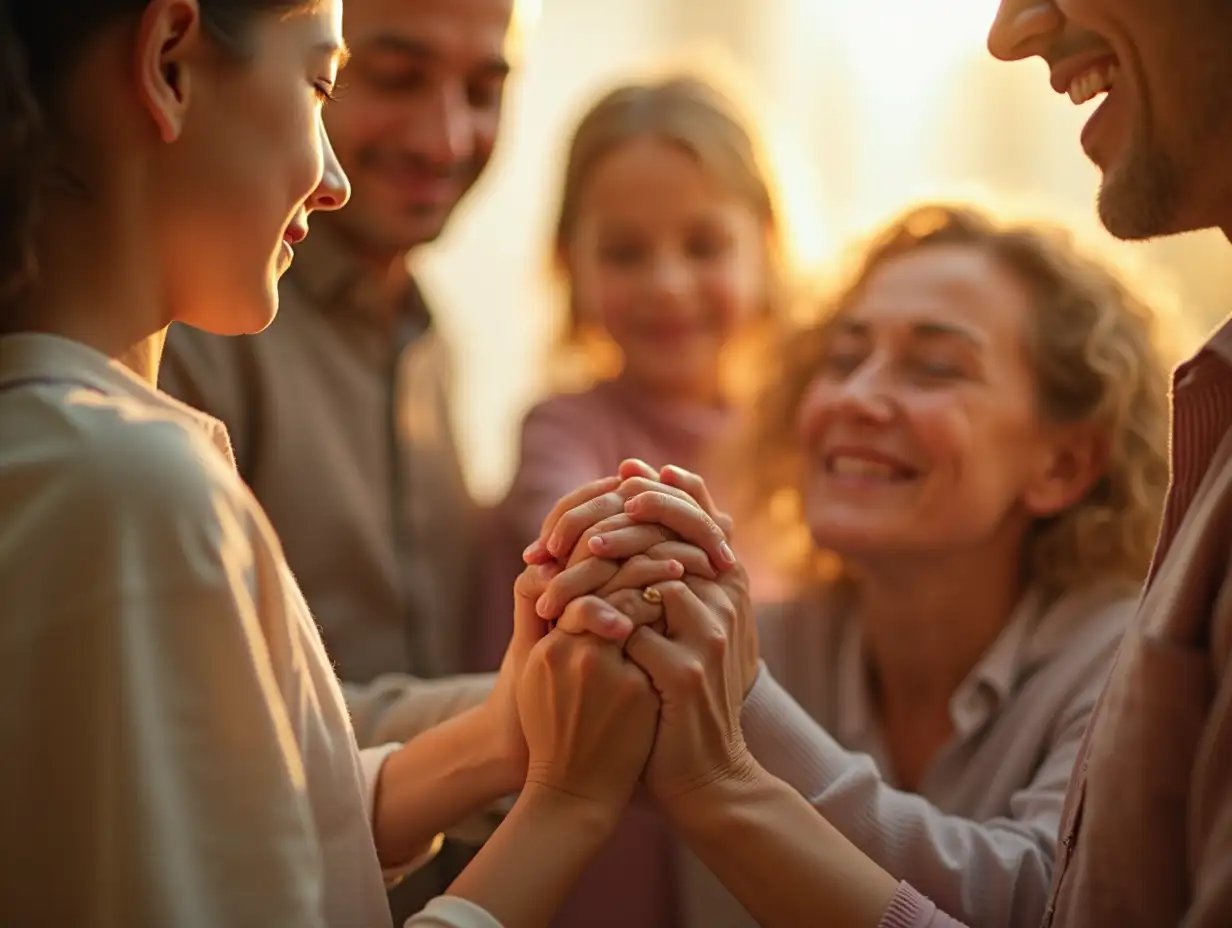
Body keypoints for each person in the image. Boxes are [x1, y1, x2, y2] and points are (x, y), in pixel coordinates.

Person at [523, 0, 1232, 923]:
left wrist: (743, 723)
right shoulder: (770, 639)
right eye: (844, 355)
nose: (856, 397)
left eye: (937, 367)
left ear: (1063, 463)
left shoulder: (1113, 657)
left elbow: (1045, 897)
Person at [0, 2, 705, 925]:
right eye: (320, 84)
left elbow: (256, 804)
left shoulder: (123, 454)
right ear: (170, 64)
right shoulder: (130, 482)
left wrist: (508, 730)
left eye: (484, 89)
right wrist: (567, 804)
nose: (328, 178)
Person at [156, 0, 515, 906]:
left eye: (486, 89)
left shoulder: (438, 346)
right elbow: (212, 712)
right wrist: (548, 711)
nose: (447, 138)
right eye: (391, 78)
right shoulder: (190, 328)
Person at [476, 72, 785, 928]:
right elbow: (574, 519)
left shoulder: (793, 446)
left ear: (766, 247)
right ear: (567, 262)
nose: (667, 284)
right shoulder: (564, 425)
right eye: (625, 252)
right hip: (594, 861)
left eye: (703, 245)